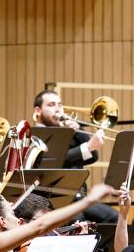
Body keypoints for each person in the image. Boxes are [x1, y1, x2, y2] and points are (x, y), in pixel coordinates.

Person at [33, 89, 115, 223]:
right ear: (38, 110)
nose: (58, 109)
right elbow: (55, 161)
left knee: (113, 217)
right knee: (78, 219)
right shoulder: (36, 135)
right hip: (52, 198)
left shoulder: (66, 131)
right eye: (51, 105)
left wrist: (78, 130)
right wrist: (87, 146)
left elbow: (93, 156)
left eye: (60, 105)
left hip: (78, 196)